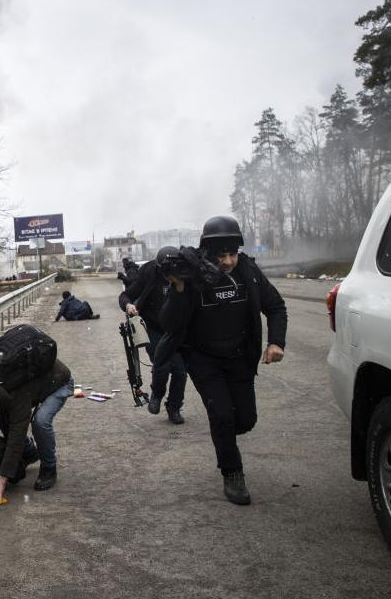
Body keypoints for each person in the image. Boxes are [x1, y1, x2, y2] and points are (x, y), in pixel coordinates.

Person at [159, 216, 286, 505]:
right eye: (221, 255)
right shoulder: (191, 276)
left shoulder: (249, 271)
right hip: (204, 360)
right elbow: (168, 322)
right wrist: (178, 291)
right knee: (222, 416)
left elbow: (276, 306)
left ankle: (225, 432)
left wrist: (276, 342)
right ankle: (232, 473)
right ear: (208, 252)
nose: (228, 261)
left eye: (232, 254)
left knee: (245, 419)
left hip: (241, 357)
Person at [0, 351, 73, 499]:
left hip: (60, 383)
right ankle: (29, 452)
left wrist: (1, 481)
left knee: (40, 421)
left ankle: (49, 468)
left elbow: (16, 437)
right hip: (38, 384)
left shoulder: (17, 396)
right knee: (1, 415)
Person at [118, 246, 188, 424]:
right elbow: (126, 295)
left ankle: (174, 406)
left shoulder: (186, 276)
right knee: (162, 363)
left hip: (177, 330)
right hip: (153, 328)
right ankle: (156, 395)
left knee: (180, 371)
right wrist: (129, 306)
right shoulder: (149, 272)